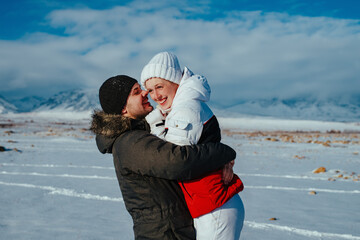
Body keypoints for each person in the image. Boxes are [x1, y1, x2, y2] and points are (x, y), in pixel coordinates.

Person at [90, 75, 237, 240]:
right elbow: (180, 162)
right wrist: (224, 151)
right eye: (136, 92)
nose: (146, 93)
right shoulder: (130, 142)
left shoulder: (142, 134)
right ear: (123, 108)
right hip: (163, 234)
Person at [141, 52, 245, 239]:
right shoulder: (179, 108)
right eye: (150, 90)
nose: (155, 95)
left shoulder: (186, 109)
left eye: (159, 87)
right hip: (210, 204)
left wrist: (154, 125)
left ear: (175, 83)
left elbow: (171, 161)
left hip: (215, 207)